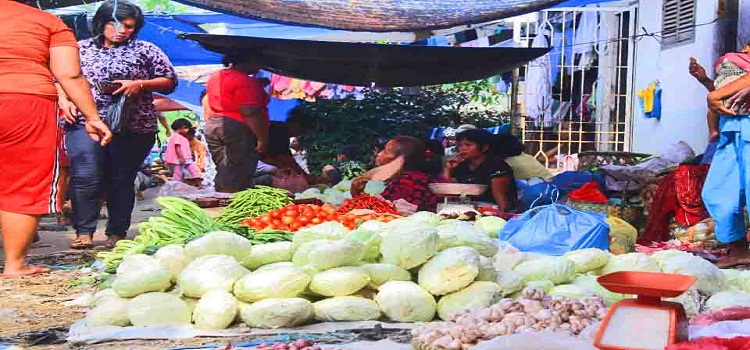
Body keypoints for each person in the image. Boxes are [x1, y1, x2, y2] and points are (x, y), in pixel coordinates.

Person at [0, 0, 111, 276]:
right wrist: (93, 118)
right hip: (24, 102)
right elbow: (69, 74)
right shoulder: (46, 21)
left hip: (24, 98)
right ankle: (14, 264)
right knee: (21, 181)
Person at [58, 0, 177, 249]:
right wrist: (63, 98)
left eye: (129, 26)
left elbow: (169, 80)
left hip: (132, 125)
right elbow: (58, 76)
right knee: (85, 176)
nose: (121, 30)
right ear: (101, 23)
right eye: (115, 24)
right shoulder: (79, 49)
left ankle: (116, 232)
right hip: (84, 121)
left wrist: (140, 84)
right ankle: (84, 232)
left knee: (120, 179)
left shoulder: (146, 50)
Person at [205, 53, 269, 193]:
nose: (259, 66)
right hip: (236, 127)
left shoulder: (216, 76)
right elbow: (250, 111)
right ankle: (234, 202)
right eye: (256, 61)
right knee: (239, 170)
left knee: (224, 169)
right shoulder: (245, 81)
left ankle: (221, 198)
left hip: (213, 124)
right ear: (246, 61)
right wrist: (262, 138)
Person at [351, 136, 438, 213]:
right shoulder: (402, 179)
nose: (379, 154)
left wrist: (356, 193)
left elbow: (387, 212)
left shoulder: (409, 182)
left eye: (385, 152)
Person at [442, 129, 518, 212]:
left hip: (492, 211)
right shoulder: (462, 166)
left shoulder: (497, 166)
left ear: (484, 147)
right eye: (460, 145)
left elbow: (500, 197)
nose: (462, 149)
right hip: (468, 210)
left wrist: (503, 216)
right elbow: (447, 190)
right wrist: (448, 169)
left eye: (468, 145)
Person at [689, 43, 750, 142]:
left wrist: (714, 96)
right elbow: (724, 93)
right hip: (729, 127)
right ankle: (713, 131)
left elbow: (716, 96)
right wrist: (705, 80)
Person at [165, 118, 202, 187]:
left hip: (187, 158)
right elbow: (177, 147)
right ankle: (177, 187)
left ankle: (199, 183)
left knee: (195, 170)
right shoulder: (176, 136)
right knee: (178, 173)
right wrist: (181, 157)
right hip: (178, 160)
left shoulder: (180, 137)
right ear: (183, 127)